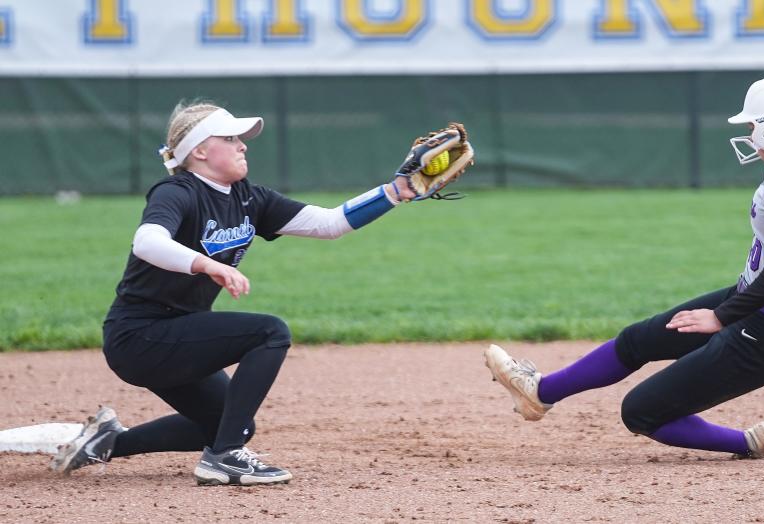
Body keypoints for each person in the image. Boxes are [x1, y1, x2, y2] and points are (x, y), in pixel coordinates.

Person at [484, 15, 764, 458]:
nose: (749, 132)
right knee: (638, 340)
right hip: (756, 304)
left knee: (639, 412)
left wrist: (721, 318)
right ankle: (539, 392)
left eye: (755, 124)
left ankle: (748, 443)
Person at [50, 101, 465, 485]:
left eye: (239, 139)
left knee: (230, 420)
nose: (241, 146)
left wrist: (395, 192)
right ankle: (225, 457)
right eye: (229, 139)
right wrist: (207, 263)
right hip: (139, 335)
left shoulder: (250, 198)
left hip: (180, 333)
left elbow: (329, 224)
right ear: (198, 152)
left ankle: (106, 443)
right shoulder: (177, 192)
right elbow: (147, 242)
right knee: (270, 332)